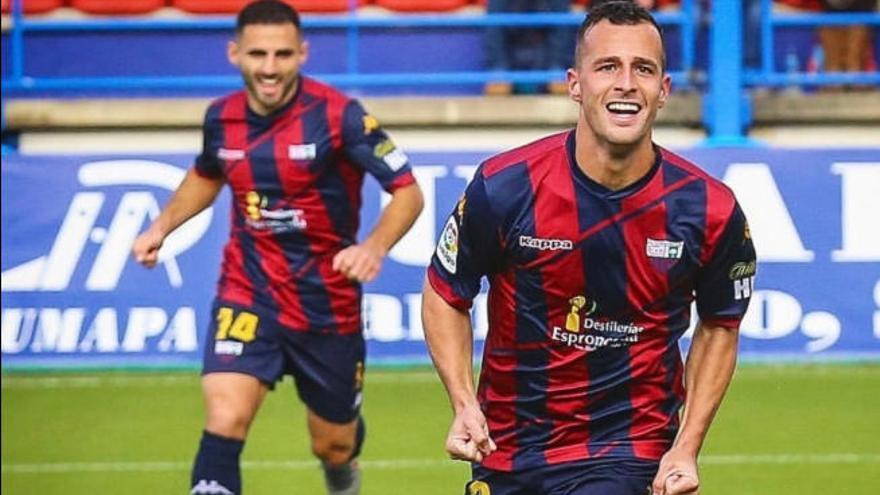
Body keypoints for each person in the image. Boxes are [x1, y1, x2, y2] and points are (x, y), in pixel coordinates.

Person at [422, 2, 755, 495]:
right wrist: (463, 402)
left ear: (663, 91)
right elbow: (446, 292)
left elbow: (720, 324)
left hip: (629, 450)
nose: (625, 83)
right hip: (507, 451)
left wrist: (685, 446)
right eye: (607, 67)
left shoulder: (709, 209)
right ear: (575, 84)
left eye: (643, 69)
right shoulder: (506, 186)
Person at [132, 1, 423, 494]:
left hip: (326, 304)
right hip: (248, 291)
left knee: (332, 446)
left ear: (302, 53)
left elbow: (408, 191)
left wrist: (373, 246)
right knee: (225, 416)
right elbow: (207, 175)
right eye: (258, 54)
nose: (270, 68)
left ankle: (343, 470)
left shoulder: (340, 116)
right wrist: (162, 224)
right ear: (234, 54)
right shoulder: (220, 118)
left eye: (283, 54)